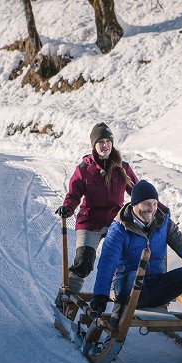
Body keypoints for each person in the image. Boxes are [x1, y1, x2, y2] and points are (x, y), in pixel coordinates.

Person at [90, 180, 182, 353]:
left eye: (154, 204)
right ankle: (113, 333)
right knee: (132, 275)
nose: (151, 209)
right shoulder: (120, 228)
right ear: (134, 204)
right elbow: (108, 262)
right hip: (128, 291)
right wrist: (100, 294)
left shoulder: (163, 223)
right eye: (146, 204)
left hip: (157, 286)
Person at [55, 122, 139, 295]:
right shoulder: (84, 169)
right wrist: (67, 208)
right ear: (94, 144)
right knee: (83, 264)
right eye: (100, 141)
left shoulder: (123, 168)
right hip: (89, 222)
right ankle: (66, 302)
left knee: (124, 262)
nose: (105, 145)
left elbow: (139, 194)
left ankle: (123, 299)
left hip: (115, 223)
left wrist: (159, 208)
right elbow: (73, 195)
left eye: (108, 141)